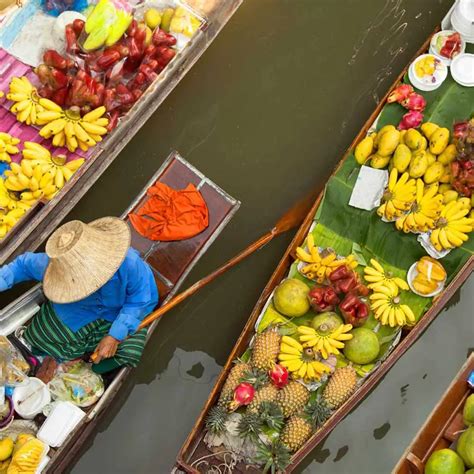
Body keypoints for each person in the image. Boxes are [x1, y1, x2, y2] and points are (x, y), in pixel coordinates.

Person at [0, 217, 158, 374]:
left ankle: (91, 368)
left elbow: (140, 301)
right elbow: (21, 266)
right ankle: (57, 358)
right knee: (43, 335)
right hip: (77, 308)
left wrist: (114, 336)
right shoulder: (54, 265)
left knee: (129, 352)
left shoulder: (130, 264)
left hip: (118, 313)